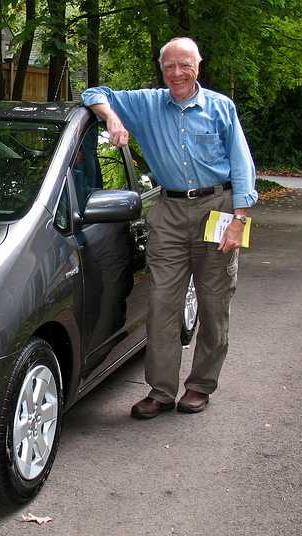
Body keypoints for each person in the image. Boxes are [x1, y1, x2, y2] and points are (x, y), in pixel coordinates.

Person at [81, 37, 258, 419]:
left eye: (184, 65)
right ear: (162, 70)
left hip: (219, 208)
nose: (177, 73)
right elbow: (92, 91)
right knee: (162, 304)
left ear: (198, 65)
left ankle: (200, 386)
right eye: (169, 67)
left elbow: (242, 166)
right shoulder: (146, 103)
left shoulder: (221, 108)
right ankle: (161, 390)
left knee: (214, 305)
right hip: (170, 211)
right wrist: (112, 117)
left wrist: (239, 220)